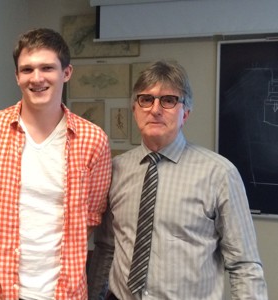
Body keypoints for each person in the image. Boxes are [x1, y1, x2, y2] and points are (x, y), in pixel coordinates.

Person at [0, 28, 112, 299]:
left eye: (47, 67)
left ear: (67, 73)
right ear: (17, 76)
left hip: (63, 292)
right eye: (27, 70)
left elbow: (91, 216)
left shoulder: (93, 140)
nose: (36, 78)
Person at [88, 60, 268, 300]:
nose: (155, 109)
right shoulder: (115, 170)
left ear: (186, 113)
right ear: (134, 109)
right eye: (146, 99)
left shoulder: (219, 174)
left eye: (169, 100)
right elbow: (106, 248)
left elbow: (244, 265)